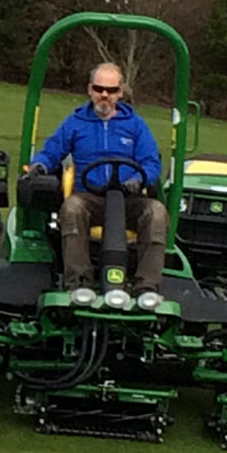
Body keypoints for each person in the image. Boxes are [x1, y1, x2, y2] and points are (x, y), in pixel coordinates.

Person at [28, 62, 167, 294]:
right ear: (90, 89)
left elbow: (151, 163)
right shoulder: (75, 123)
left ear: (120, 93)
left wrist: (137, 180)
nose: (104, 95)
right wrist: (39, 165)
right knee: (71, 208)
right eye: (99, 89)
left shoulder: (135, 126)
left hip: (127, 200)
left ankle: (146, 287)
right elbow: (53, 150)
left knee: (156, 212)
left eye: (111, 90)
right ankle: (79, 284)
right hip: (89, 197)